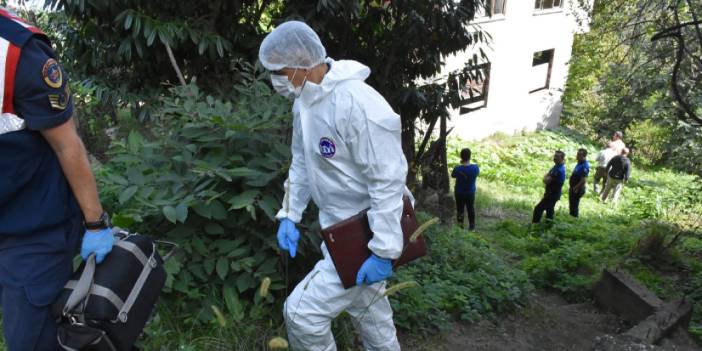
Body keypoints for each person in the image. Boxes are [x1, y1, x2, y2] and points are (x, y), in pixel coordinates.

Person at [259, 21, 410, 350]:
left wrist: (383, 249)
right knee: (373, 319)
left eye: (280, 71)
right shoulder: (304, 103)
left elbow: (387, 178)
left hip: (364, 234)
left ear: (302, 64)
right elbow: (301, 161)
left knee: (301, 314)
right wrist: (290, 213)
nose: (276, 81)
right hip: (338, 228)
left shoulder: (356, 102)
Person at [0, 8, 113, 351]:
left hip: (31, 231)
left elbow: (67, 145)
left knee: (30, 341)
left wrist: (95, 223)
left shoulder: (19, 51)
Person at [532, 151, 566, 224]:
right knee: (549, 210)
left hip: (552, 194)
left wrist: (546, 177)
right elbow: (546, 176)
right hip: (551, 193)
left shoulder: (559, 170)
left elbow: (546, 180)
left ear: (562, 158)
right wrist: (546, 177)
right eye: (555, 156)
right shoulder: (556, 166)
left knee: (538, 209)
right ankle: (548, 226)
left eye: (557, 156)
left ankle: (535, 225)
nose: (555, 158)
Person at [451, 148, 479, 230]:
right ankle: (472, 226)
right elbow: (476, 174)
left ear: (461, 157)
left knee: (460, 209)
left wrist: (461, 164)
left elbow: (453, 175)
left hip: (459, 193)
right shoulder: (475, 168)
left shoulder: (457, 168)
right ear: (470, 156)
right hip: (470, 192)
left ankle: (460, 227)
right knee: (471, 209)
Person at [568, 149, 590, 217]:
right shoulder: (579, 163)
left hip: (577, 188)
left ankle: (574, 218)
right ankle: (571, 217)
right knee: (572, 204)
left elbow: (583, 180)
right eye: (577, 154)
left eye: (579, 155)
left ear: (584, 156)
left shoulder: (585, 165)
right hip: (573, 187)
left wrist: (576, 187)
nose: (577, 156)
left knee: (574, 205)